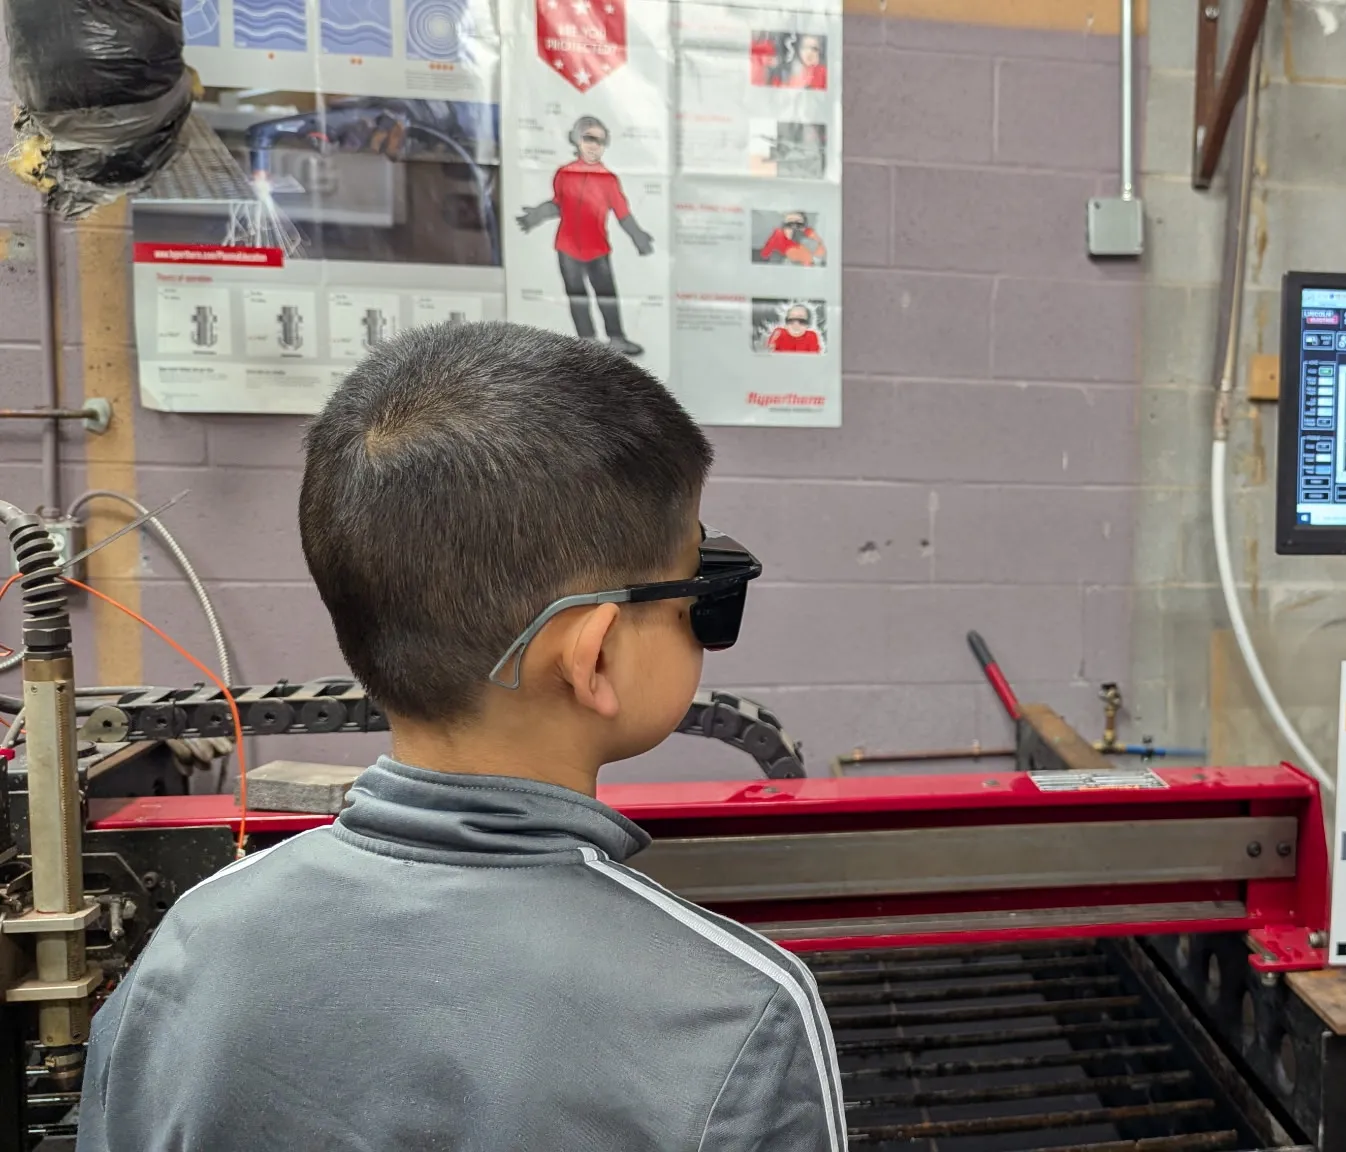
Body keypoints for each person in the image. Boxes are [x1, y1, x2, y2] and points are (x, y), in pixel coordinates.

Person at [77, 324, 843, 1151]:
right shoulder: (737, 1016)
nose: (709, 613)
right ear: (594, 656)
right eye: (707, 587)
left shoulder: (191, 946)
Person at [517, 115, 656, 357]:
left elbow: (623, 213)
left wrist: (639, 237)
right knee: (577, 297)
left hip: (598, 249)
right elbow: (559, 204)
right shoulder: (563, 174)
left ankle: (617, 338)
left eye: (600, 141)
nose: (594, 145)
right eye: (589, 138)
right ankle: (587, 343)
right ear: (577, 140)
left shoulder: (609, 180)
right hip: (567, 249)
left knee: (607, 295)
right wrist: (534, 217)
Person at [758, 210, 827, 266]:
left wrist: (804, 240)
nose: (794, 228)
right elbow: (765, 254)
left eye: (798, 224)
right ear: (783, 227)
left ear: (804, 227)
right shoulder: (778, 235)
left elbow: (821, 253)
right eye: (789, 224)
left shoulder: (809, 234)